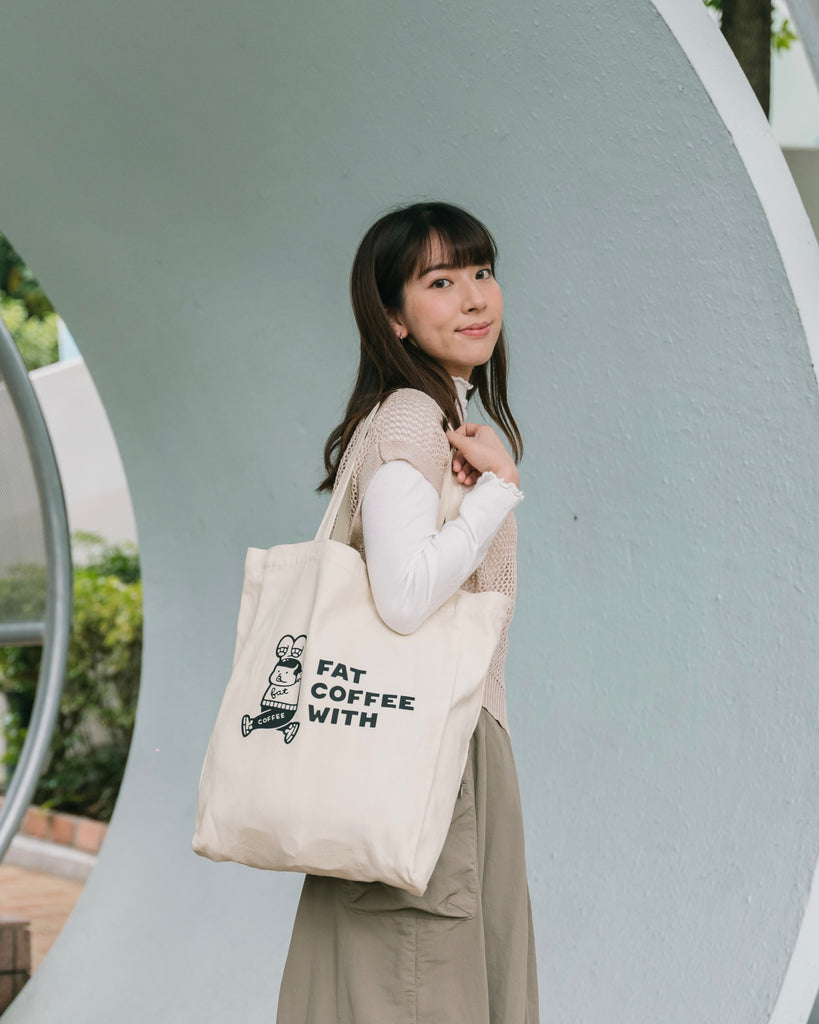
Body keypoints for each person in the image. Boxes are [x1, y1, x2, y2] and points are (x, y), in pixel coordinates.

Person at [276, 201, 539, 1023]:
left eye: (482, 272)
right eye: (440, 281)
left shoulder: (438, 418)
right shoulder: (411, 421)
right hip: (428, 756)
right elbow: (402, 598)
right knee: (423, 990)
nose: (474, 299)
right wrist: (493, 498)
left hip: (436, 750)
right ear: (393, 316)